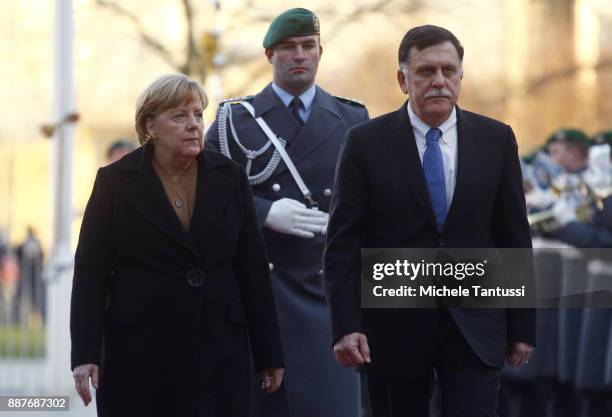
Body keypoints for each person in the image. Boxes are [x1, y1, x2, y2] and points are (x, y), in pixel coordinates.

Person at [324, 25, 536, 417]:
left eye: (448, 70)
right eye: (425, 71)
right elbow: (343, 243)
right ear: (403, 79)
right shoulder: (364, 143)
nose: (439, 81)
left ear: (460, 76)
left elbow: (513, 237)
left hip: (475, 326)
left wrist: (522, 326)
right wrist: (346, 324)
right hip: (392, 330)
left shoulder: (496, 139)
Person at [70, 74, 284, 417]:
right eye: (179, 116)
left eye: (198, 115)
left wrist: (269, 353)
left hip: (218, 351)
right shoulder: (114, 182)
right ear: (150, 127)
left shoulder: (230, 177)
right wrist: (85, 353)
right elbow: (91, 272)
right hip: (138, 354)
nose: (193, 125)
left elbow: (252, 268)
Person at [205, 8, 369, 417]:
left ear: (319, 52)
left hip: (326, 300)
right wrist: (262, 213)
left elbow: (370, 207)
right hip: (261, 300)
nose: (299, 55)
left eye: (307, 46)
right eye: (288, 48)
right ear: (269, 56)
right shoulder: (235, 120)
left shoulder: (352, 118)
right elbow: (204, 196)